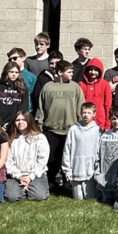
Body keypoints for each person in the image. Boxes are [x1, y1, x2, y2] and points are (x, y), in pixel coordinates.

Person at [36, 60, 83, 190]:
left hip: (70, 129)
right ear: (60, 72)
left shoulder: (75, 87)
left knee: (67, 157)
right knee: (51, 158)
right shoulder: (48, 87)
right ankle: (50, 181)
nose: (72, 74)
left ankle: (67, 181)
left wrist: (80, 124)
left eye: (72, 71)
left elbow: (80, 107)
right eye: (69, 71)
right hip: (50, 129)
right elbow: (41, 107)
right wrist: (40, 123)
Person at [4, 112, 51, 202]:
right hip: (16, 175)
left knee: (38, 196)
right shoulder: (10, 139)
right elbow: (8, 161)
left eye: (23, 120)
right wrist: (19, 177)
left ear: (29, 121)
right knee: (12, 197)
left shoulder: (40, 138)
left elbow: (42, 161)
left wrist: (30, 177)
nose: (20, 122)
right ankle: (24, 188)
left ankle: (30, 187)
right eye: (17, 120)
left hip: (36, 174)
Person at [63, 103, 101, 200]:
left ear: (94, 114)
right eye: (84, 112)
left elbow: (100, 152)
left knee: (90, 198)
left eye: (89, 113)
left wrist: (98, 170)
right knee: (78, 198)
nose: (86, 115)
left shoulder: (97, 131)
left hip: (90, 171)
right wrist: (68, 170)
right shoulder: (73, 129)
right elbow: (67, 150)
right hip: (76, 170)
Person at [95, 106, 118, 205]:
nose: (116, 121)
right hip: (105, 174)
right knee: (106, 201)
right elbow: (99, 153)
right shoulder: (105, 135)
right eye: (114, 119)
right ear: (110, 119)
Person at [0, 61, 29, 129]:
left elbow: (23, 108)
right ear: (6, 72)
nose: (14, 74)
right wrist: (1, 123)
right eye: (11, 72)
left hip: (15, 125)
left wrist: (14, 123)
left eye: (16, 72)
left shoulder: (22, 88)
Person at [79, 58, 112, 131]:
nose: (93, 72)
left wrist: (107, 124)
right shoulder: (81, 84)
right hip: (84, 121)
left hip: (100, 123)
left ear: (100, 71)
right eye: (91, 69)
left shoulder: (105, 85)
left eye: (96, 70)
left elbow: (107, 105)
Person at [6, 48, 36, 112]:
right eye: (10, 59)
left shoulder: (31, 77)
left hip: (26, 111)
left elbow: (34, 97)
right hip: (10, 110)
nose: (12, 61)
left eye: (14, 58)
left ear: (23, 58)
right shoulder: (6, 75)